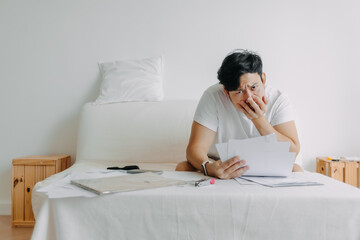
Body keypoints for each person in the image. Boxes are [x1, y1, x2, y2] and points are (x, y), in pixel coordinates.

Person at [176, 49, 303, 179]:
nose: (249, 97)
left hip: (268, 160)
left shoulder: (278, 99)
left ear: (263, 79)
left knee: (296, 169)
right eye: (239, 92)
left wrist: (259, 119)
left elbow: (292, 151)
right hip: (222, 162)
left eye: (254, 87)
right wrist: (209, 168)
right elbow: (194, 149)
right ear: (226, 91)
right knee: (183, 167)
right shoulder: (213, 96)